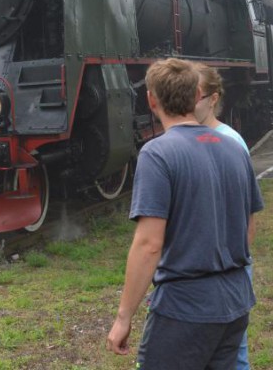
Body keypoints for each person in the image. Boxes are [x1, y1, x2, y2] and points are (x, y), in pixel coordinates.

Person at [107, 58, 263, 369]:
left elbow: (149, 244)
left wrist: (124, 317)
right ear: (197, 97)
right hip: (234, 301)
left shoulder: (157, 153)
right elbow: (248, 227)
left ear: (151, 99)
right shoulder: (234, 148)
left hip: (186, 307)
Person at [194, 65, 252, 370]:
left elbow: (247, 213)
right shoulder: (187, 140)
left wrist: (235, 260)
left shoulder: (231, 142)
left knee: (234, 355)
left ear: (213, 98)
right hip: (200, 270)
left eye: (195, 95)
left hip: (228, 266)